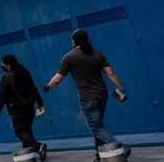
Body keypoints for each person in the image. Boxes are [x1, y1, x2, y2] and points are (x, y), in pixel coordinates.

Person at [44, 29, 128, 162]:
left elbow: (58, 79)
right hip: (102, 96)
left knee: (96, 127)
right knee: (98, 126)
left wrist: (48, 86)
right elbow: (110, 73)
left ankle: (120, 147)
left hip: (88, 98)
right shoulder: (98, 54)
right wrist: (120, 89)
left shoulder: (70, 57)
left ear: (75, 41)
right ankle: (99, 155)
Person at [0, 54, 47, 160]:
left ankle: (38, 147)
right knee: (26, 131)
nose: (1, 65)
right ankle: (28, 154)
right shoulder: (24, 72)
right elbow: (34, 88)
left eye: (2, 63)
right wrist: (40, 102)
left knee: (19, 131)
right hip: (29, 108)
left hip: (17, 109)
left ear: (8, 65)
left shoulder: (7, 77)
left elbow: (2, 95)